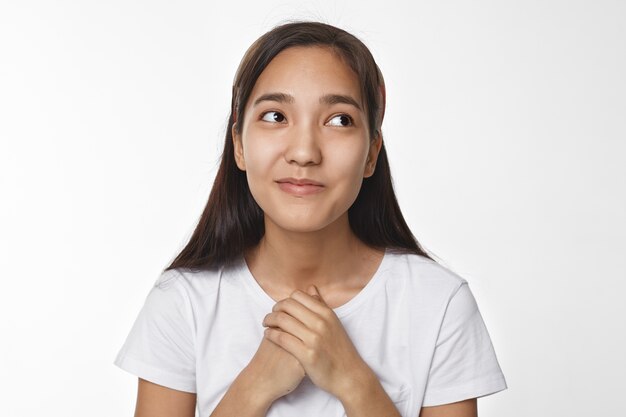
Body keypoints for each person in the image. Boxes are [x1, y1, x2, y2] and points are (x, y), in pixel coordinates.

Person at [113, 20, 508, 417]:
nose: (304, 152)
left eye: (339, 120)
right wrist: (254, 387)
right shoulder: (182, 302)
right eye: (275, 116)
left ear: (371, 153)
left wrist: (353, 379)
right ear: (239, 145)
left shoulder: (438, 304)